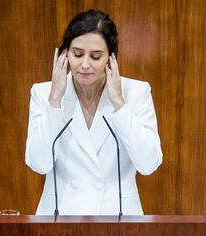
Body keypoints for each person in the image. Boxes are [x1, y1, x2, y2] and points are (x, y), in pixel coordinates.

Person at [25, 9, 163, 215]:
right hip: (59, 220)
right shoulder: (44, 93)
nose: (85, 65)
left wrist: (119, 105)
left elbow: (148, 164)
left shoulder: (136, 92)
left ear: (110, 58)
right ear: (64, 54)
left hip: (118, 221)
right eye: (77, 54)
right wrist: (54, 99)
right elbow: (38, 163)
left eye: (96, 56)